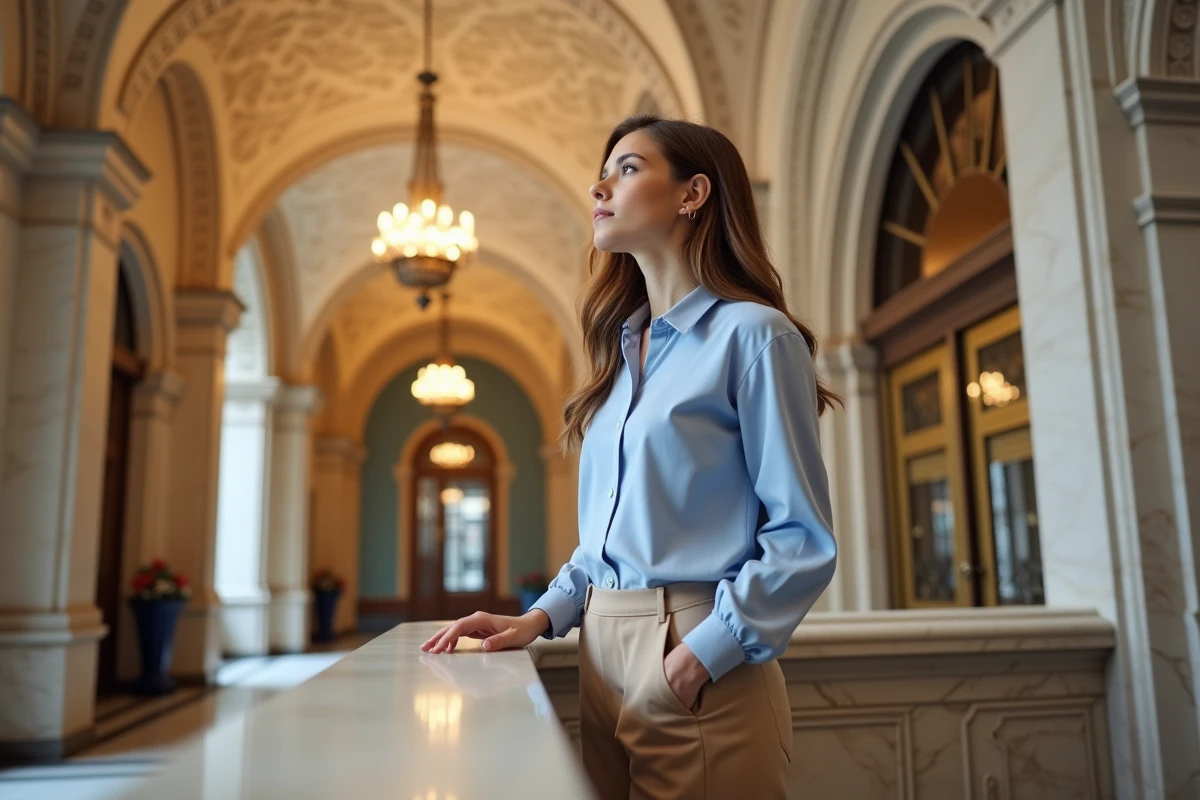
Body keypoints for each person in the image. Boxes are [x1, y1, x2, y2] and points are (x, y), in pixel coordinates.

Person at [420, 114, 839, 799]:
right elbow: (608, 540)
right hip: (599, 654)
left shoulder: (754, 337)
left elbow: (801, 537)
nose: (599, 185)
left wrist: (700, 656)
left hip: (695, 648)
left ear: (692, 194)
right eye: (605, 171)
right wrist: (539, 616)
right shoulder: (620, 357)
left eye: (628, 168)